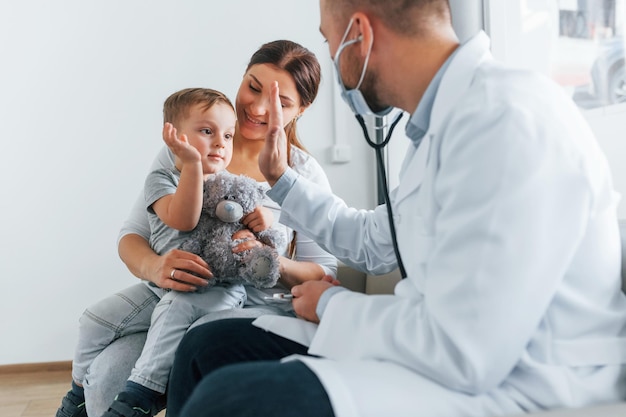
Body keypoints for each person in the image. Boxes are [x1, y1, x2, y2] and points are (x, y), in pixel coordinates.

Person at [165, 1, 626, 417]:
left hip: (518, 381)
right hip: (442, 352)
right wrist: (284, 180)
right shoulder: (438, 128)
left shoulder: (504, 120)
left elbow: (464, 350)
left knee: (232, 400)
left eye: (330, 40)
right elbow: (375, 241)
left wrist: (332, 305)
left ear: (359, 35)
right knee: (207, 345)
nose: (333, 59)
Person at [61, 39, 337, 417]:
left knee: (199, 347)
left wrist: (269, 259)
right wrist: (155, 267)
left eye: (280, 102)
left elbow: (325, 274)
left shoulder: (304, 175)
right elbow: (132, 236)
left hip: (250, 309)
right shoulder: (191, 147)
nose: (256, 108)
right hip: (172, 298)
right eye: (253, 87)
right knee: (106, 374)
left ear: (301, 109)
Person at [56, 87, 249, 417]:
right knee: (94, 319)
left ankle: (138, 397)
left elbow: (253, 216)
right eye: (207, 131)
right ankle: (77, 399)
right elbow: (183, 219)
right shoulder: (162, 177)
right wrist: (190, 165)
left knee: (173, 309)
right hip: (162, 284)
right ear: (173, 137)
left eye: (228, 135)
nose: (220, 143)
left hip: (218, 290)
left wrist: (258, 221)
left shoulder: (231, 183)